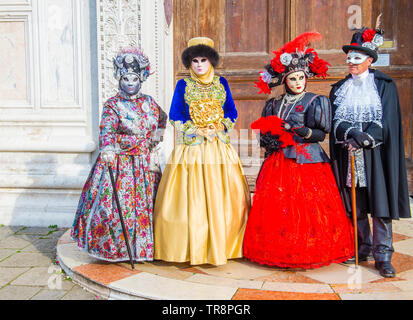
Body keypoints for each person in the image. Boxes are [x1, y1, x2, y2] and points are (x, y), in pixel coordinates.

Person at [243, 32, 354, 269]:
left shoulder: (315, 101)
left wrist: (299, 130)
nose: (297, 83)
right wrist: (271, 139)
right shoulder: (273, 103)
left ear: (306, 77)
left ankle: (309, 249)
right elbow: (265, 131)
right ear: (285, 80)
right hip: (278, 161)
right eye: (292, 79)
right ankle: (281, 247)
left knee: (307, 208)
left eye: (300, 78)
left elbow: (320, 134)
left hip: (307, 161)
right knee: (279, 207)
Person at [153, 37, 251, 266]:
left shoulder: (222, 82)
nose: (199, 65)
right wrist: (195, 130)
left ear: (211, 61)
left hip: (218, 149)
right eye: (195, 60)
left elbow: (232, 112)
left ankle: (224, 245)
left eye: (203, 60)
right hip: (192, 149)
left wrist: (220, 127)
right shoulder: (183, 85)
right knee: (190, 199)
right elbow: (175, 116)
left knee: (225, 196)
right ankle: (190, 249)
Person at [329, 24, 411, 277]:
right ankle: (361, 247)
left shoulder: (384, 85)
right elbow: (333, 119)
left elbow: (387, 119)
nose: (351, 62)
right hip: (348, 153)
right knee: (356, 205)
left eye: (357, 58)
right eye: (349, 58)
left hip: (376, 155)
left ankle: (383, 255)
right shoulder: (340, 88)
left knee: (380, 203)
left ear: (369, 60)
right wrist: (350, 134)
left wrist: (365, 138)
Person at [71, 47, 167, 262]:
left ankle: (144, 250)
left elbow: (162, 119)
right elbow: (106, 129)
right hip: (120, 163)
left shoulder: (150, 102)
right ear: (119, 79)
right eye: (125, 78)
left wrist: (155, 142)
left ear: (141, 78)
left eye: (134, 78)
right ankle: (119, 251)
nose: (130, 82)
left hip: (145, 165)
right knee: (118, 207)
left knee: (147, 206)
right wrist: (107, 149)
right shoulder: (112, 105)